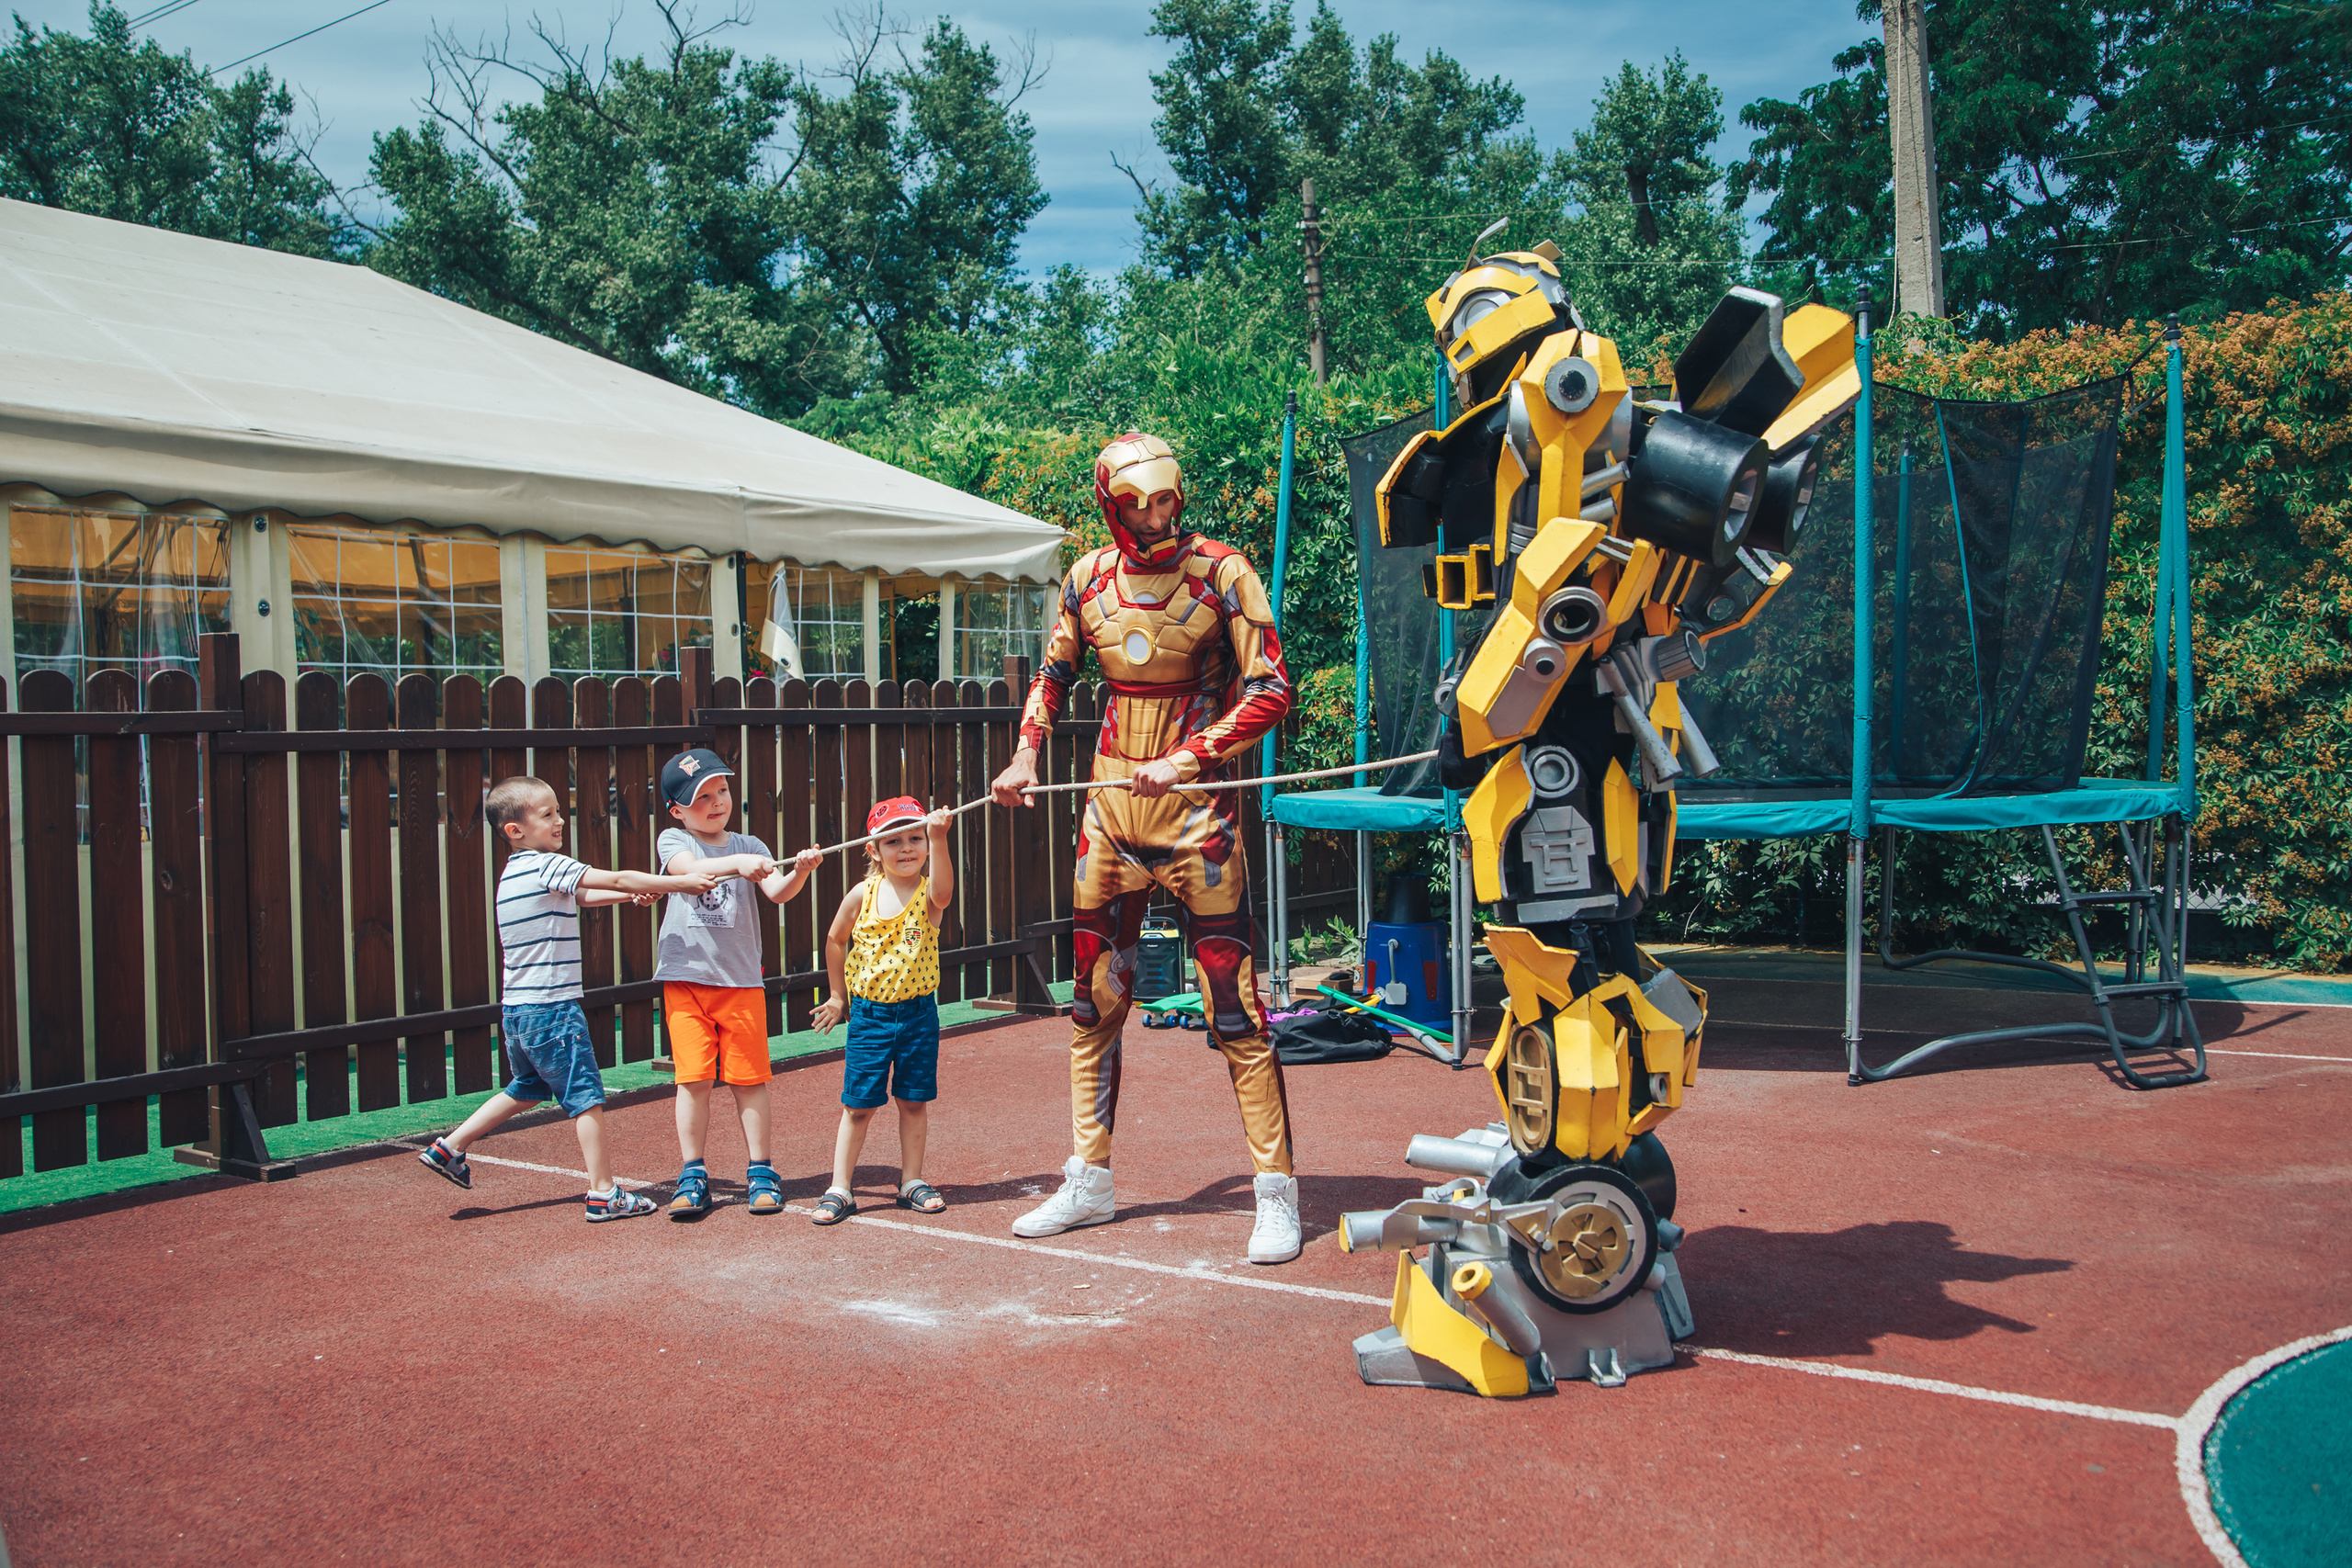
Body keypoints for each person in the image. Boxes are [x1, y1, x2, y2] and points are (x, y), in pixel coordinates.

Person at [989, 432, 1302, 1265]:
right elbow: (1053, 675)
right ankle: (1088, 1178)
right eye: (1139, 504)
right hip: (1111, 814)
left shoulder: (1223, 572)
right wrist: (1025, 753)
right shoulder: (1087, 577)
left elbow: (1272, 687)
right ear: (1112, 506)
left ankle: (1276, 1191)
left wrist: (1189, 758)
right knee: (1092, 1002)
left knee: (1234, 1007)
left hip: (1198, 819)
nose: (1157, 516)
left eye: (1166, 499)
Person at [416, 775, 720, 1221]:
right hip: (552, 1009)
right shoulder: (546, 864)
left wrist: (631, 896)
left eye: (559, 811)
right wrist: (679, 882)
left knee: (527, 1087)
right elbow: (616, 876)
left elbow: (586, 894)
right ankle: (604, 1193)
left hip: (518, 1011)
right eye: (548, 814)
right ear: (515, 830)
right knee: (586, 1096)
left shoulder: (514, 873)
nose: (560, 820)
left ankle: (450, 1147)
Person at [654, 747, 822, 1219]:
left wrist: (800, 871)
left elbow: (778, 892)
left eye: (722, 791)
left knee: (749, 1081)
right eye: (701, 797)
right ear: (677, 810)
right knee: (693, 1081)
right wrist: (737, 865)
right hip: (686, 980)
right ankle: (693, 1174)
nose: (716, 802)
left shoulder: (751, 844)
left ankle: (762, 1171)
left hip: (741, 982)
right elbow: (688, 872)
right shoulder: (674, 840)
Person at [807, 797, 955, 1225]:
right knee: (858, 1105)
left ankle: (912, 1181)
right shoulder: (862, 894)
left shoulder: (929, 893)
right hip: (870, 1017)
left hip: (918, 1016)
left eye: (915, 838)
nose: (906, 848)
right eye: (893, 841)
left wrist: (939, 837)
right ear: (873, 849)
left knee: (913, 1101)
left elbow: (944, 893)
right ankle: (840, 1186)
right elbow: (835, 940)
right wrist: (838, 997)